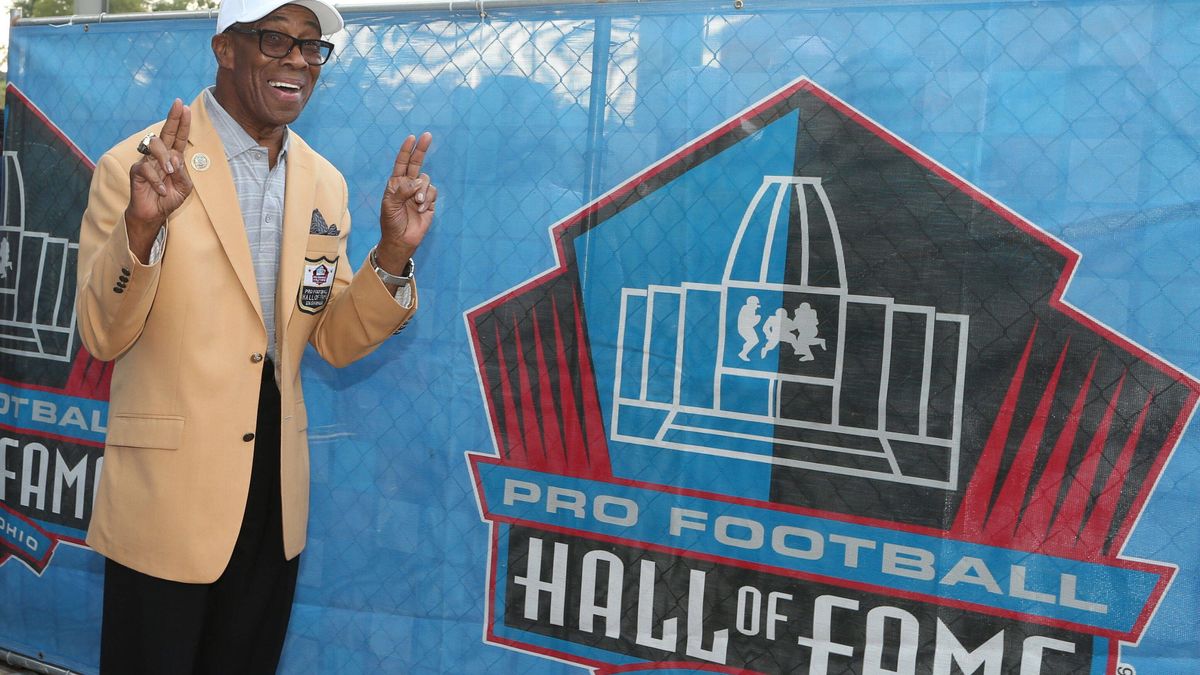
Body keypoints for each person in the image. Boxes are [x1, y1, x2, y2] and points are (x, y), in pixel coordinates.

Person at [73, 0, 436, 671]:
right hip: (168, 499)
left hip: (273, 496)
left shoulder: (324, 181)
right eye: (276, 39)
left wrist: (390, 255)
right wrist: (141, 229)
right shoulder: (140, 165)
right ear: (225, 49)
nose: (298, 59)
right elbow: (101, 331)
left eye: (312, 46)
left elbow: (330, 338)